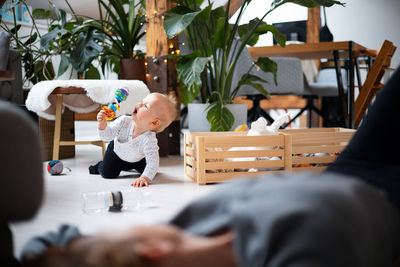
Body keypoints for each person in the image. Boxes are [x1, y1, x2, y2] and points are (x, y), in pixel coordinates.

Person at [22, 68, 400, 267]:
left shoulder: (188, 227)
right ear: (152, 250)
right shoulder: (297, 253)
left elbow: (49, 246)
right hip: (385, 196)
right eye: (131, 236)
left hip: (348, 169)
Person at [89, 92, 176, 187]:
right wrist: (102, 125)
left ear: (154, 122)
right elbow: (106, 137)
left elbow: (153, 162)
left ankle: (132, 168)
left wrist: (144, 177)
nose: (139, 104)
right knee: (107, 173)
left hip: (138, 160)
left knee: (149, 172)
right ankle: (99, 166)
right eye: (142, 101)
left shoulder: (149, 140)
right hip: (116, 154)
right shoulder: (123, 121)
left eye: (145, 106)